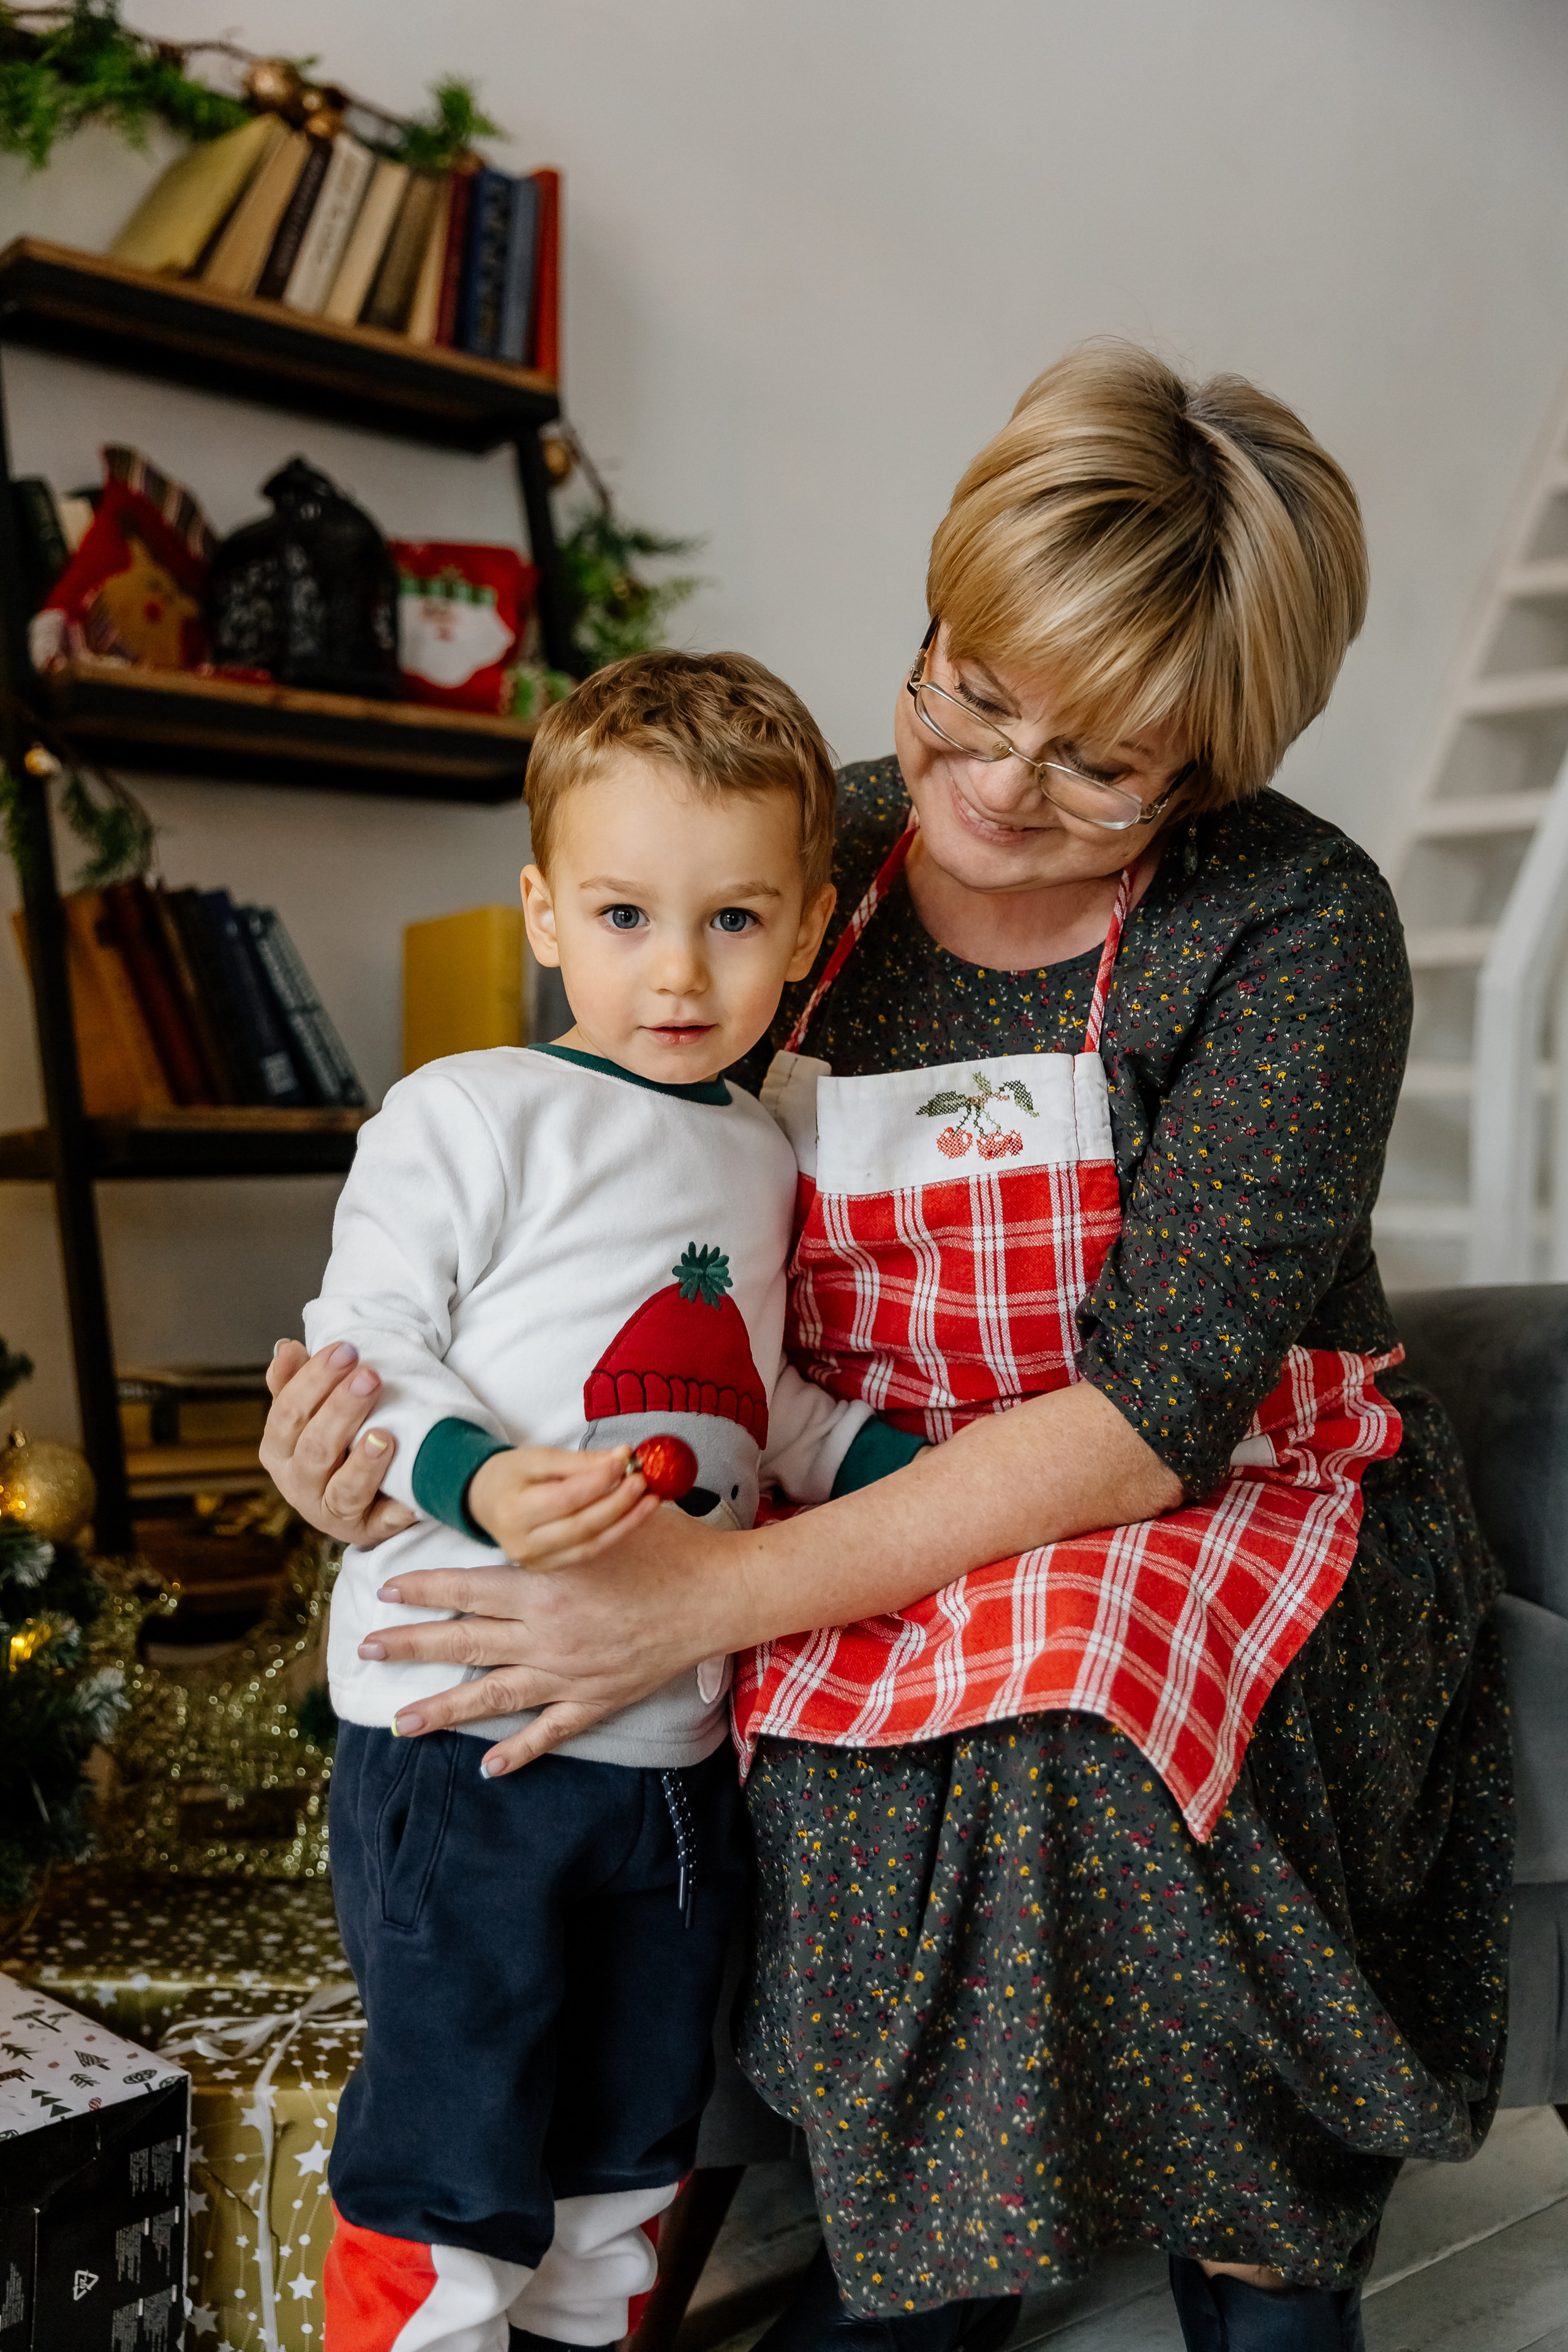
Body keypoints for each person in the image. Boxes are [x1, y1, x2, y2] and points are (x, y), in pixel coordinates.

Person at [266, 345, 1510, 2352]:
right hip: (837, 1453)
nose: (996, 786)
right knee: (854, 1753)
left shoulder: (1296, 920)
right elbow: (573, 1217)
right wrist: (366, 1449)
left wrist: (705, 1599)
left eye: (1100, 763)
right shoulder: (794, 858)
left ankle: (1258, 2275)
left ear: (1212, 765)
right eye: (969, 687)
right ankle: (929, 2263)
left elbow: (1144, 1422)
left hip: (1201, 1483)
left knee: (1067, 1718)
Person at [307, 652, 929, 2352]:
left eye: (734, 922)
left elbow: (766, 1394)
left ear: (808, 930)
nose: (678, 970)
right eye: (628, 915)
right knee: (455, 2137)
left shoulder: (766, 1148)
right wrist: (483, 1477)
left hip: (671, 1754)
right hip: (466, 1729)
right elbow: (364, 1343)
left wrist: (915, 1477)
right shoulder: (470, 1113)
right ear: (543, 913)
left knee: (626, 2145)